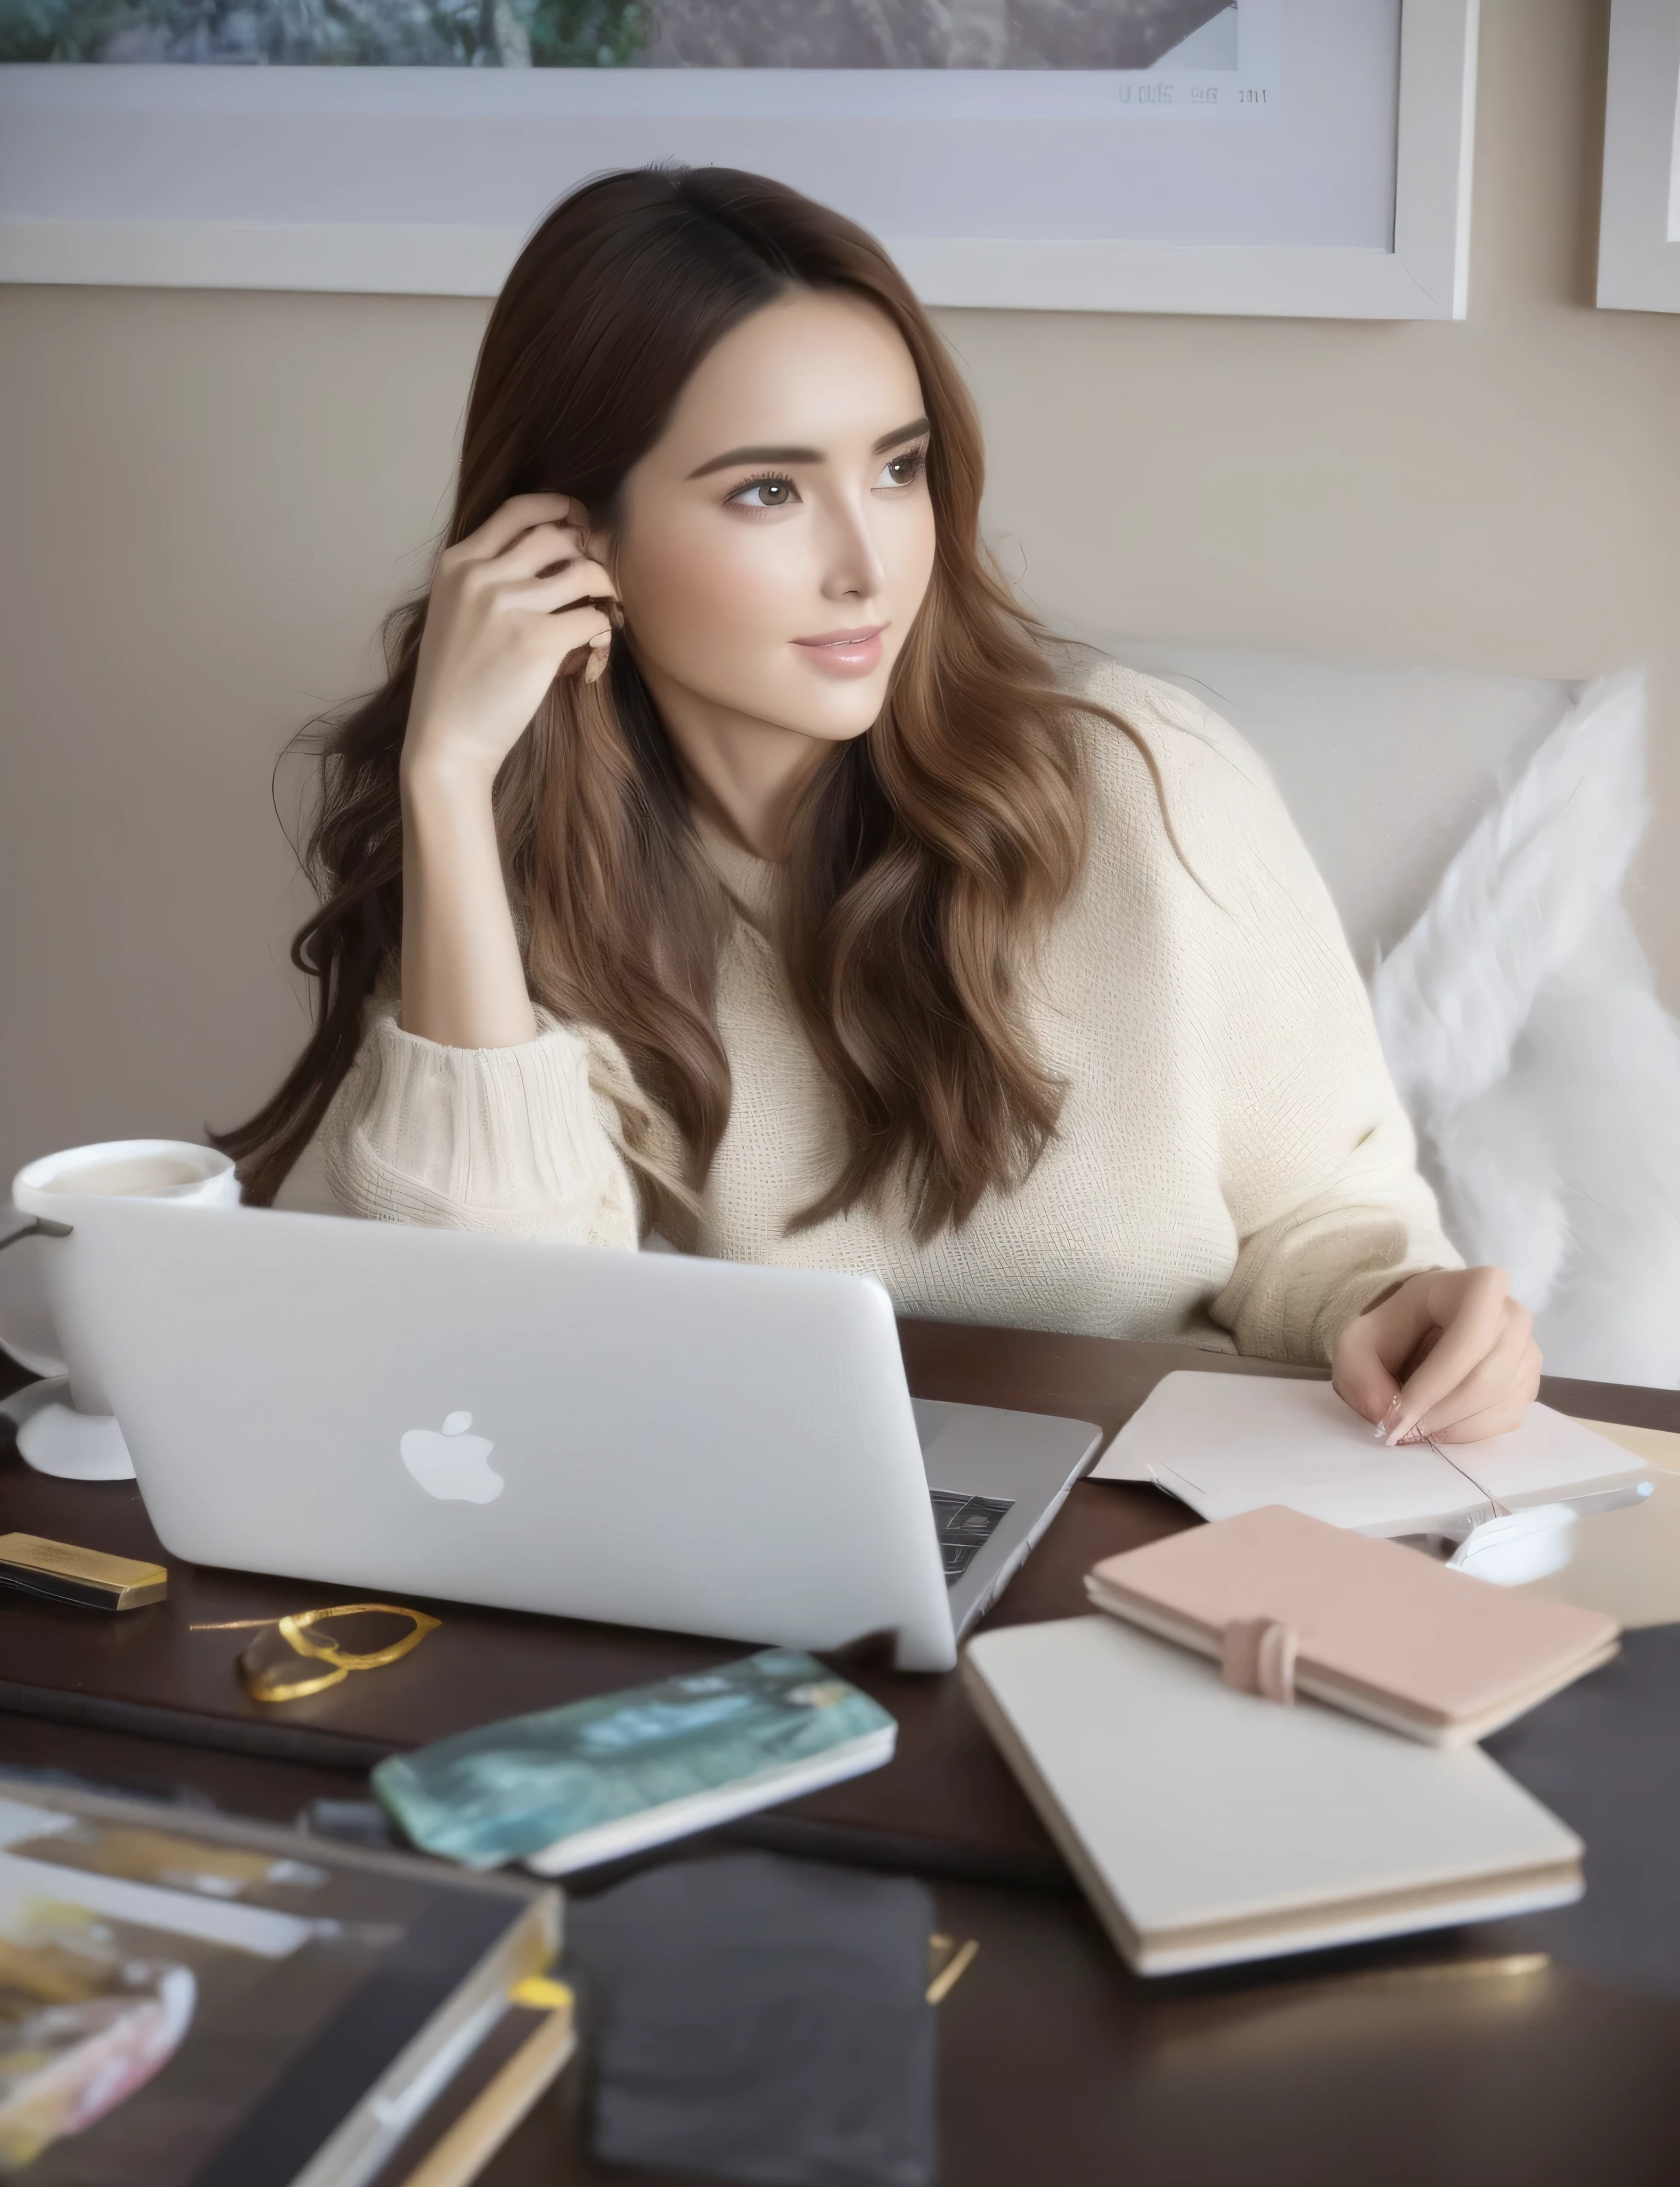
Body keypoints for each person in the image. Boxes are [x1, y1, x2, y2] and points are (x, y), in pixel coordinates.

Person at [218, 165, 1540, 1450]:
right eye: (769, 490)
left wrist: (1390, 1305)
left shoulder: (1146, 779)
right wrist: (446, 784)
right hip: (724, 1565)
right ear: (572, 537)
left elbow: (1319, 1208)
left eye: (898, 469)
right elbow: (484, 1347)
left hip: (1142, 1547)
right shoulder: (533, 866)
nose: (869, 563)